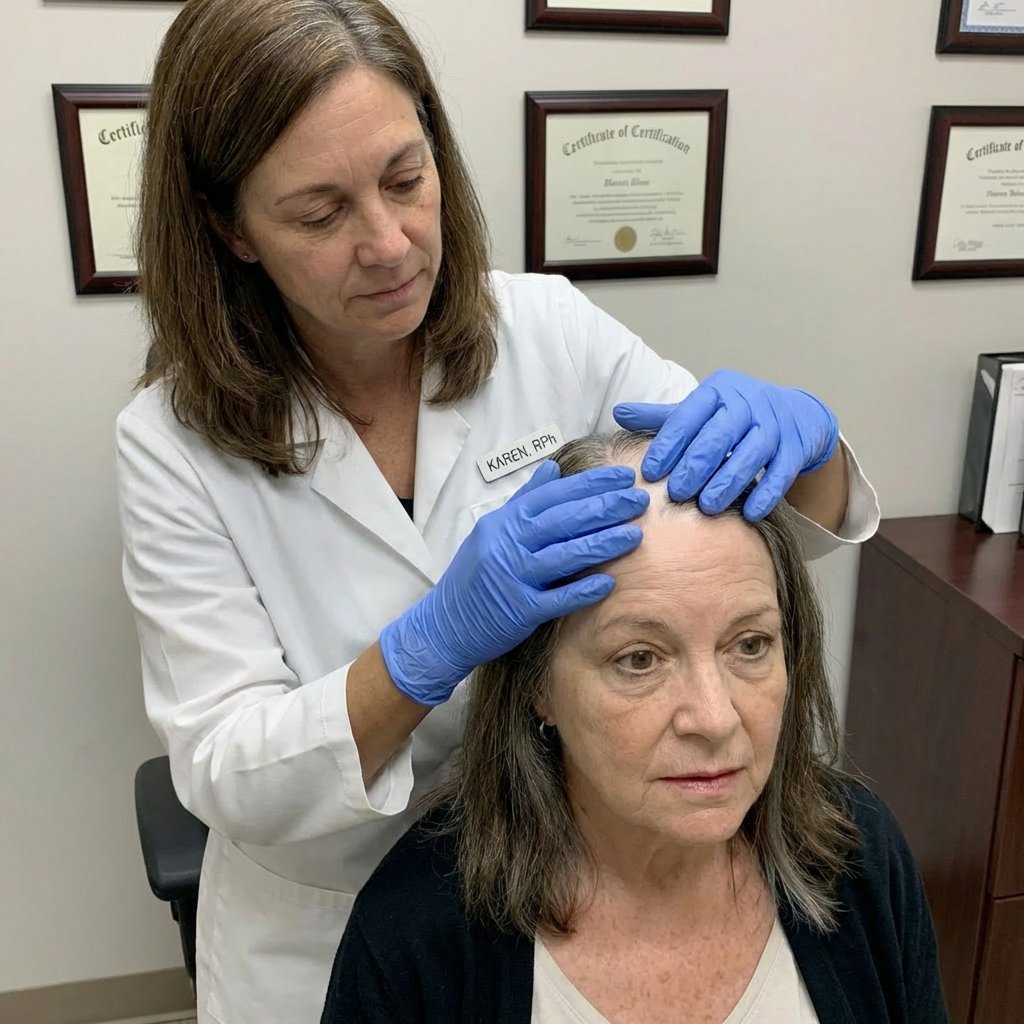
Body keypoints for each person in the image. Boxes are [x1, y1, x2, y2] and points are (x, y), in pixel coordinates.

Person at [115, 1, 879, 1021]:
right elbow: (226, 770)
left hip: (556, 875)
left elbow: (727, 550)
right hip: (326, 909)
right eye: (320, 211)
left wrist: (809, 453)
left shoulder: (543, 329)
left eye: (405, 178)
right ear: (229, 226)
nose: (389, 243)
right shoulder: (172, 445)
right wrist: (427, 649)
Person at [322, 431, 945, 1024]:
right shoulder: (417, 932)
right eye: (639, 659)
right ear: (538, 688)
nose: (714, 718)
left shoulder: (857, 853)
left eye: (750, 644)